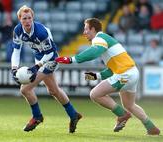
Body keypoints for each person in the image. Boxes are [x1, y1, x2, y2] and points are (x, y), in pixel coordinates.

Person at [55, 18, 160, 135]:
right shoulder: (106, 40)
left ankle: (122, 115)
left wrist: (72, 59)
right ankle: (151, 128)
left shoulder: (99, 38)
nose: (84, 33)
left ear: (93, 29)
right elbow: (112, 70)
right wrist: (97, 76)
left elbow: (94, 52)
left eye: (86, 29)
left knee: (95, 94)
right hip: (132, 73)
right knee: (130, 105)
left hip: (125, 74)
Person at [11, 5, 82, 133]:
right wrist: (14, 69)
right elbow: (16, 51)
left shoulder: (40, 32)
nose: (27, 21)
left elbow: (50, 53)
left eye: (29, 18)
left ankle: (37, 116)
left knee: (25, 89)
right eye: (24, 18)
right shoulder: (17, 30)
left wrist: (37, 67)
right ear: (20, 19)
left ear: (33, 18)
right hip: (39, 58)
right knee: (53, 90)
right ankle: (73, 115)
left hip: (50, 59)